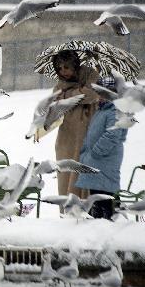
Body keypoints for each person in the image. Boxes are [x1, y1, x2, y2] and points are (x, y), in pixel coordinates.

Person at [75, 76, 128, 220]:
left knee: (104, 194)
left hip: (105, 159)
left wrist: (96, 152)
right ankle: (96, 222)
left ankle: (106, 222)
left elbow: (112, 135)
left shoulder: (115, 111)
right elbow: (93, 133)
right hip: (96, 160)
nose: (100, 96)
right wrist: (86, 152)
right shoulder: (102, 110)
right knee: (96, 195)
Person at [51, 50, 100, 198]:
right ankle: (69, 214)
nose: (63, 71)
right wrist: (78, 92)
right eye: (59, 68)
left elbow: (92, 95)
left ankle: (87, 212)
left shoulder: (90, 76)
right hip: (67, 138)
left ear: (74, 65)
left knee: (86, 174)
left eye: (66, 67)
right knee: (67, 176)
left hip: (88, 134)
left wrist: (69, 94)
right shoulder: (60, 84)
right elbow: (55, 101)